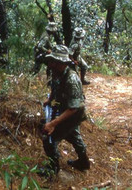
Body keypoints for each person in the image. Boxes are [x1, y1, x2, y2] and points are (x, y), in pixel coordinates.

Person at [39, 45, 90, 177]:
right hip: (67, 108)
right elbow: (55, 88)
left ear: (63, 63)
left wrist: (53, 123)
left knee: (48, 135)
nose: (52, 64)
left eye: (55, 62)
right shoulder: (57, 73)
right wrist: (50, 99)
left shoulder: (71, 79)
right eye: (52, 61)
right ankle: (84, 163)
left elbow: (73, 108)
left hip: (74, 112)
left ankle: (53, 168)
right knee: (73, 135)